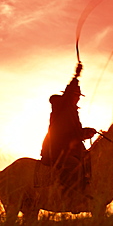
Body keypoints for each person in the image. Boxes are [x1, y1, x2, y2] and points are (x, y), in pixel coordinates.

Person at [41, 63, 96, 192]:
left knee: (90, 162)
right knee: (74, 165)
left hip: (70, 150)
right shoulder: (60, 106)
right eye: (75, 95)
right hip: (56, 149)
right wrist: (76, 76)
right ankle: (69, 193)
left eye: (78, 96)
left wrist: (86, 132)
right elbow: (67, 136)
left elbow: (74, 134)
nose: (77, 98)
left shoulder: (72, 112)